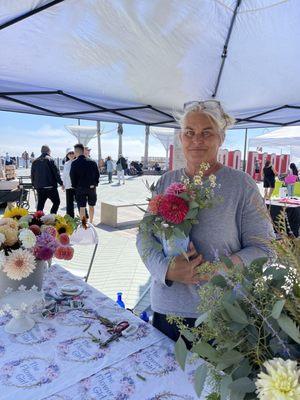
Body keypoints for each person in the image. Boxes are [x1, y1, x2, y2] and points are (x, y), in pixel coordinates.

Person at [136, 100, 274, 341]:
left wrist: (221, 267)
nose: (196, 139)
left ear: (220, 138)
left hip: (221, 314)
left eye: (206, 132)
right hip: (167, 311)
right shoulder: (166, 181)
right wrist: (165, 269)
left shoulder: (241, 185)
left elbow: (265, 248)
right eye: (189, 132)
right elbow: (144, 236)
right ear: (181, 138)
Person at [70, 143, 99, 224]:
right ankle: (91, 222)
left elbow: (72, 176)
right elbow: (97, 174)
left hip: (80, 188)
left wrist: (74, 186)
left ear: (77, 152)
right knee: (91, 206)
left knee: (82, 207)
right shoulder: (92, 162)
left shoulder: (74, 163)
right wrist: (95, 184)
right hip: (91, 188)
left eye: (74, 152)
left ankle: (84, 225)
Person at [31, 145, 63, 214]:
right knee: (56, 202)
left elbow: (32, 175)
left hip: (39, 187)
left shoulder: (35, 161)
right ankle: (52, 216)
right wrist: (61, 183)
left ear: (41, 151)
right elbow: (56, 173)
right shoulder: (50, 159)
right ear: (49, 151)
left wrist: (34, 185)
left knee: (40, 205)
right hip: (50, 187)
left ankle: (38, 220)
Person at [62, 148, 76, 217]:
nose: (71, 154)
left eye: (72, 153)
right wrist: (63, 184)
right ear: (67, 155)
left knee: (80, 203)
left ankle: (84, 219)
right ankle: (70, 218)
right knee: (69, 204)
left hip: (76, 186)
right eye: (69, 153)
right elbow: (64, 175)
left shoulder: (77, 162)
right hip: (68, 186)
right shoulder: (66, 164)